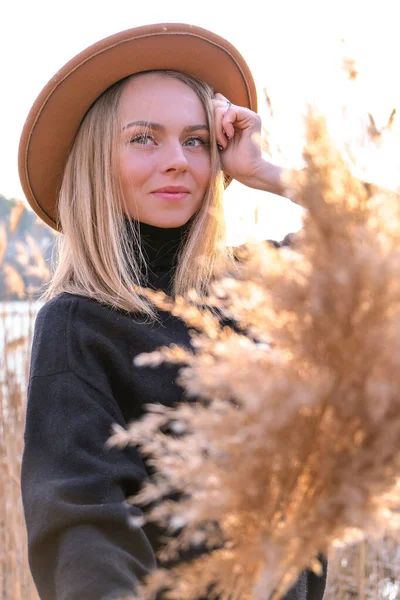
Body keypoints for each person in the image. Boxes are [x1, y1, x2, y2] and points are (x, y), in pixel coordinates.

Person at [18, 23, 327, 600]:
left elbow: (382, 239)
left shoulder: (257, 283)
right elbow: (82, 530)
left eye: (196, 141)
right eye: (144, 138)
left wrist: (268, 173)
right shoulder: (78, 324)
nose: (177, 161)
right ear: (96, 161)